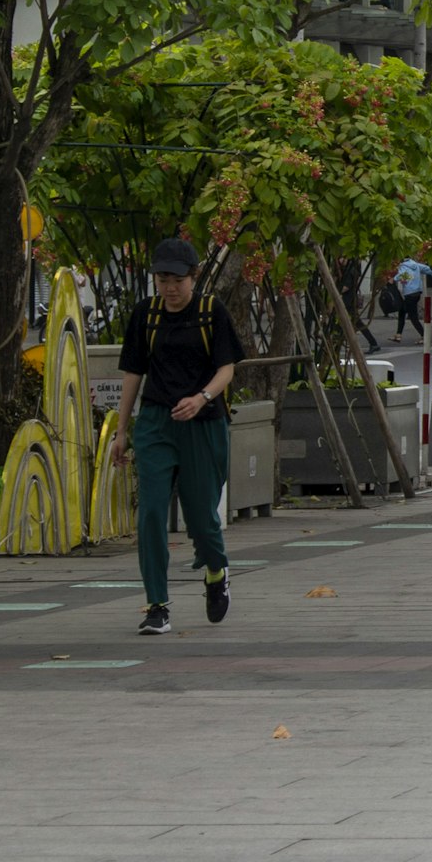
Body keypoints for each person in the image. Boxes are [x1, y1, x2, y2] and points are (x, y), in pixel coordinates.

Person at [119, 238, 245, 636]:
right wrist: (121, 432)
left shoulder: (211, 312)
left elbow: (227, 369)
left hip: (203, 423)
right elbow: (133, 374)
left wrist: (202, 397)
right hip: (156, 422)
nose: (169, 288)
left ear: (193, 277)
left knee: (202, 518)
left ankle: (215, 570)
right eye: (162, 279)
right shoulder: (146, 315)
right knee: (151, 512)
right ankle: (157, 604)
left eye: (177, 279)